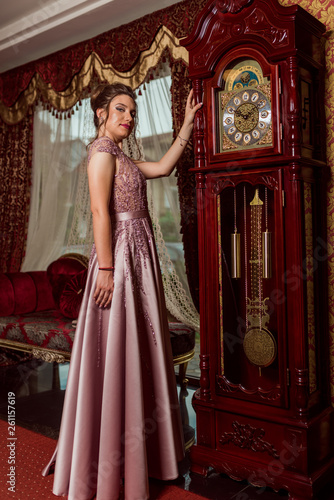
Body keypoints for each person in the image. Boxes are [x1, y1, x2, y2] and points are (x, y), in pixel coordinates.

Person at [42, 82, 202, 500]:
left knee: (141, 344)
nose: (128, 118)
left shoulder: (124, 157)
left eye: (132, 111)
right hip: (121, 255)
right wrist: (108, 269)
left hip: (140, 250)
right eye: (119, 109)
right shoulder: (100, 153)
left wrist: (186, 124)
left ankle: (144, 453)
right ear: (99, 112)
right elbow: (100, 211)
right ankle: (111, 458)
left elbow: (164, 167)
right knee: (117, 344)